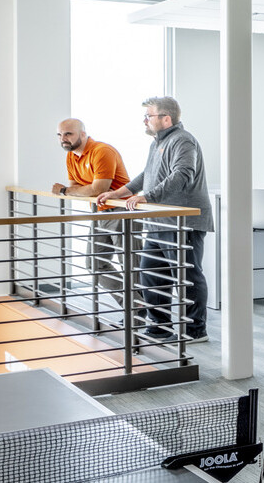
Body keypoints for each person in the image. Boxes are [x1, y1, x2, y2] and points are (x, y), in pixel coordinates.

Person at [96, 96, 213, 344]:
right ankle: (160, 328)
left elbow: (182, 174)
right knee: (150, 274)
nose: (145, 120)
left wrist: (147, 197)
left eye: (149, 115)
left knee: (188, 276)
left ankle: (196, 331)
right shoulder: (157, 144)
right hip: (159, 221)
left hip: (183, 222)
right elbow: (146, 174)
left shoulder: (183, 140)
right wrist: (119, 193)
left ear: (166, 118)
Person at [52, 118, 130, 293]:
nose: (63, 138)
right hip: (98, 211)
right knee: (94, 264)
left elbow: (98, 188)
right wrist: (79, 190)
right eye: (59, 135)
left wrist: (66, 190)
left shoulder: (102, 151)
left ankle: (144, 314)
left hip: (122, 209)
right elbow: (77, 188)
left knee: (130, 264)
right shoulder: (71, 156)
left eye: (68, 134)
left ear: (83, 134)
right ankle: (136, 307)